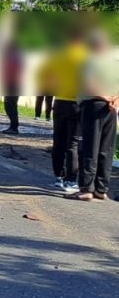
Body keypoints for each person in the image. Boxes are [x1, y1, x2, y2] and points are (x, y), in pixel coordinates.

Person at [68, 31, 118, 201]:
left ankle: (86, 189)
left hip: (93, 106)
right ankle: (101, 189)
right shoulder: (114, 64)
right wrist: (114, 100)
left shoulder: (88, 62)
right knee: (106, 150)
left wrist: (104, 96)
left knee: (90, 148)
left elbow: (88, 86)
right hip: (111, 110)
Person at [46, 32, 87, 193]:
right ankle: (71, 180)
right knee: (74, 143)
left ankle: (58, 176)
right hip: (77, 103)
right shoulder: (85, 56)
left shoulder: (58, 55)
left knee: (58, 141)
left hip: (60, 101)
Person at [0, 42, 23, 135]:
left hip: (12, 83)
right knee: (12, 105)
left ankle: (14, 127)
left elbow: (11, 72)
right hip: (13, 83)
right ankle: (13, 126)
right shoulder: (15, 58)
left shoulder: (13, 58)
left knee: (9, 105)